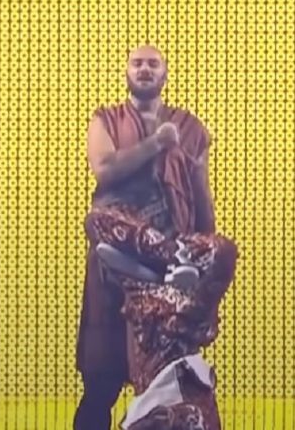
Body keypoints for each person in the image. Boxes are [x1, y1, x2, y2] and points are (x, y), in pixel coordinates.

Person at [74, 45, 216, 430]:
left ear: (165, 73)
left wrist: (205, 253)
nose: (144, 69)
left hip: (170, 273)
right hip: (113, 269)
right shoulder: (106, 119)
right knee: (100, 380)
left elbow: (201, 196)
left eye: (153, 64)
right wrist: (156, 143)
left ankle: (169, 257)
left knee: (167, 379)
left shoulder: (190, 127)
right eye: (137, 63)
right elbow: (104, 169)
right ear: (127, 71)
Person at [85, 205, 237, 429]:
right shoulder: (147, 293)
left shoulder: (183, 309)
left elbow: (223, 253)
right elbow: (97, 221)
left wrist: (179, 262)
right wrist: (170, 253)